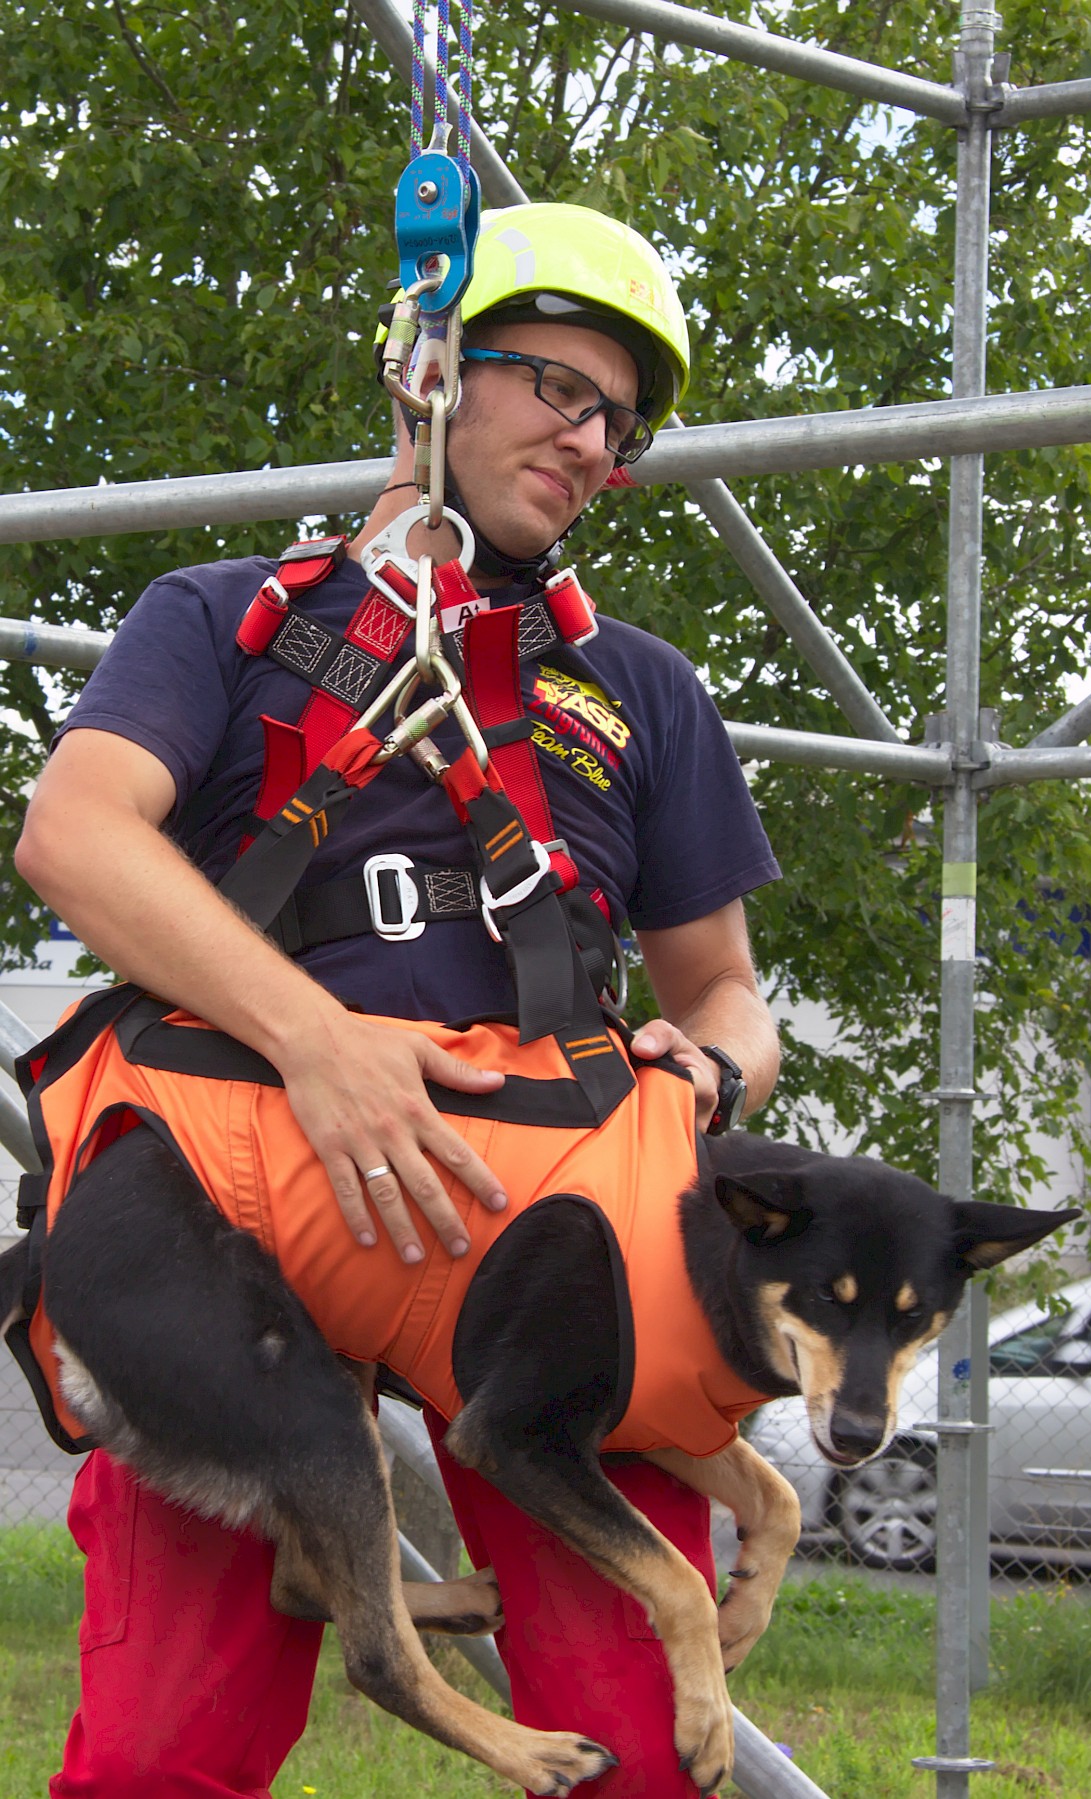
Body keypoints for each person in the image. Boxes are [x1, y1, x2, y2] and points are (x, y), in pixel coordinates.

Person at [16, 201, 781, 1798]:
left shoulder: (635, 686)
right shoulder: (226, 622)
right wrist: (318, 1043)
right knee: (164, 1755)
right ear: (429, 369)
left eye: (619, 425)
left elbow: (724, 992)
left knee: (640, 1755)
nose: (591, 444)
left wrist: (705, 1075)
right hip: (235, 1209)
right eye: (559, 389)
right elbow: (76, 837)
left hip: (546, 1234)